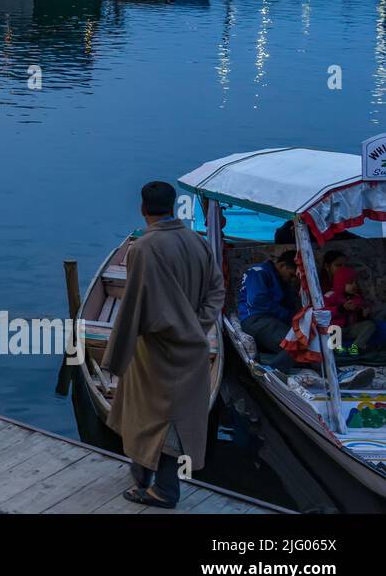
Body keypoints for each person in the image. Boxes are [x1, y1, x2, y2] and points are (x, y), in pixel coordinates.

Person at [102, 180, 225, 510]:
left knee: (159, 419)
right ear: (173, 206)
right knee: (167, 416)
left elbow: (133, 306)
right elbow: (217, 291)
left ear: (143, 208)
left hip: (157, 350)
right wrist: (198, 324)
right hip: (193, 348)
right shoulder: (197, 242)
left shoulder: (143, 248)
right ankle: (141, 475)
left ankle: (164, 491)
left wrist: (114, 357)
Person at [238, 250, 300, 369]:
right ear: (282, 265)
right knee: (296, 343)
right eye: (291, 275)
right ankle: (269, 374)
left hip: (269, 321)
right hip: (256, 319)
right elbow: (257, 301)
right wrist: (286, 315)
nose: (291, 280)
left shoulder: (279, 280)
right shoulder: (259, 272)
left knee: (305, 342)